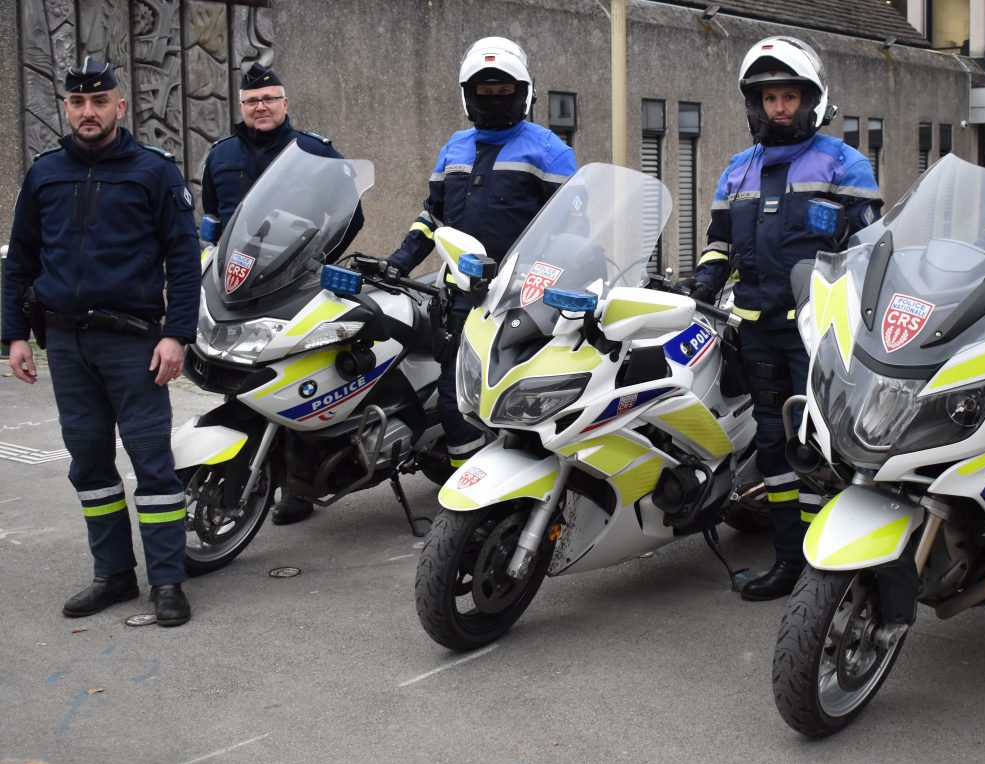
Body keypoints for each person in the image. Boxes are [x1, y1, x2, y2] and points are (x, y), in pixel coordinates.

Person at [680, 36, 882, 601]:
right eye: (769, 98)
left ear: (812, 100)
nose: (780, 108)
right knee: (772, 449)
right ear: (755, 104)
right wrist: (702, 283)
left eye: (790, 96)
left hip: (820, 335)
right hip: (757, 331)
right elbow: (720, 243)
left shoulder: (844, 162)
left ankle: (832, 572)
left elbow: (870, 249)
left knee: (822, 451)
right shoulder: (736, 171)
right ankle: (789, 563)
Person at [1, 58, 201, 626]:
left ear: (121, 106)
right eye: (78, 103)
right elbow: (21, 259)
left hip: (133, 344)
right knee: (89, 464)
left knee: (152, 464)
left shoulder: (153, 172)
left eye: (99, 101)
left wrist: (177, 336)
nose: (88, 112)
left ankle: (167, 583)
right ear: (66, 108)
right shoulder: (44, 174)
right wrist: (13, 334)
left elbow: (184, 263)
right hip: (65, 343)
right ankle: (113, 575)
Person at [388, 37, 576, 470]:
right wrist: (400, 260)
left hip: (525, 303)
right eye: (484, 93)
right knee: (458, 398)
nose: (493, 101)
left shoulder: (550, 151)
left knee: (523, 398)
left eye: (503, 92)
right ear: (468, 95)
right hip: (462, 299)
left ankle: (529, 492)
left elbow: (573, 232)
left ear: (524, 93)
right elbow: (432, 217)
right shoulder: (454, 148)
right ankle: (467, 498)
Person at [202, 61, 363, 525]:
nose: (261, 107)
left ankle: (297, 485)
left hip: (297, 282)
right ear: (241, 106)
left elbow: (352, 214)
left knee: (293, 377)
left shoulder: (314, 151)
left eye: (269, 98)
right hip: (238, 285)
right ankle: (240, 460)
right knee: (236, 371)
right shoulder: (221, 154)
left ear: (285, 103)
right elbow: (214, 217)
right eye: (252, 101)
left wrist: (319, 260)